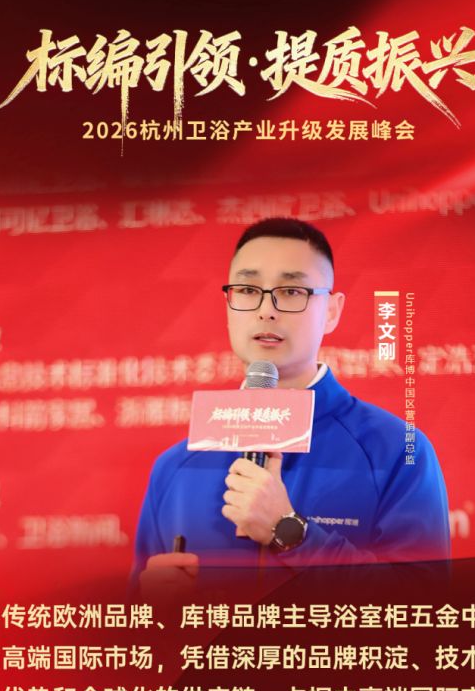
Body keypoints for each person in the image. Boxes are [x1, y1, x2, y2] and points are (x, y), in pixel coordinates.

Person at [134, 218, 450, 585]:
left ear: (331, 311)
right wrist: (156, 610)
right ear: (228, 305)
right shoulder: (174, 467)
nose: (266, 310)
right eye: (248, 289)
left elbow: (423, 606)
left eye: (291, 291)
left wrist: (290, 532)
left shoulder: (395, 450)